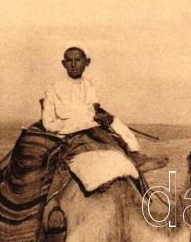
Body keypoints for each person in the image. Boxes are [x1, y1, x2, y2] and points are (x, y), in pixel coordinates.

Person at [41, 43, 166, 171]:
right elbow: (48, 122)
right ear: (63, 63)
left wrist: (101, 116)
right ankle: (129, 157)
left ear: (87, 62)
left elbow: (93, 106)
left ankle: (135, 154)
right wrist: (83, 121)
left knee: (115, 122)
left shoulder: (89, 86)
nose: (73, 65)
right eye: (69, 60)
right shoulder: (53, 88)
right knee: (95, 131)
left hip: (89, 123)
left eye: (77, 60)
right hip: (65, 127)